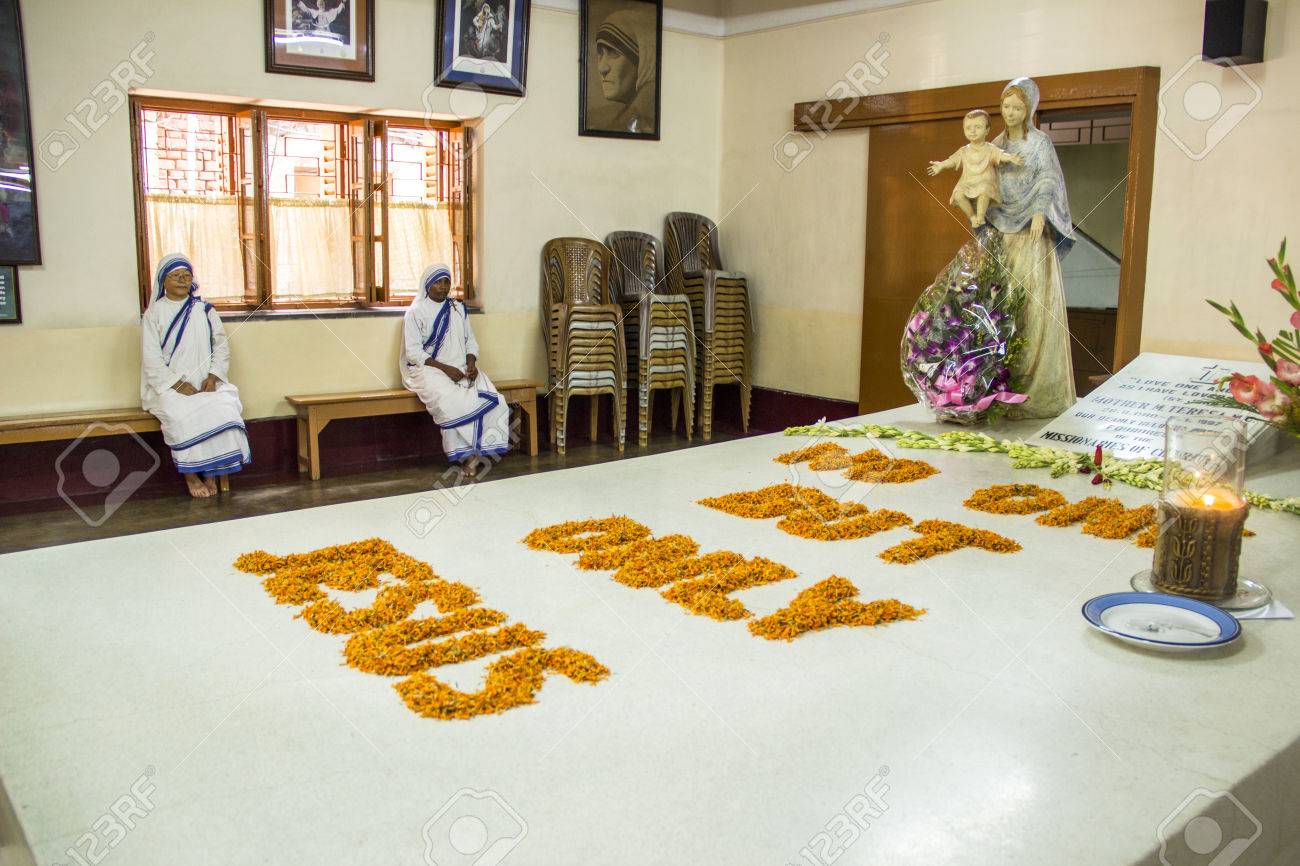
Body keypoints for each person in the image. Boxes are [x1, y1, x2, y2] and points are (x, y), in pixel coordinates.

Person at [985, 77, 1077, 420]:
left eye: (1018, 108)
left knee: (1034, 309)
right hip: (1004, 235)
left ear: (1030, 109)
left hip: (1032, 236)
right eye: (1006, 106)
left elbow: (1048, 179)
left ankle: (1036, 387)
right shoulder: (995, 144)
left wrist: (1039, 209)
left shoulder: (1040, 143)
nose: (1010, 113)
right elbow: (984, 180)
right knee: (1004, 309)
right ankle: (998, 390)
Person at [140, 254, 251, 498]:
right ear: (163, 281)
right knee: (180, 415)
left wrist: (213, 377)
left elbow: (221, 345)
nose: (182, 280)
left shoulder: (204, 309)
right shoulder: (153, 314)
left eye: (186, 276)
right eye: (175, 275)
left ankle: (209, 471)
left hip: (205, 383)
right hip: (167, 388)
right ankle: (191, 476)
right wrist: (177, 385)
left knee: (222, 407)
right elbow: (151, 359)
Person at [401, 264, 510, 476]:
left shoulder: (458, 308)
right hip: (428, 369)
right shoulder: (415, 313)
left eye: (447, 282)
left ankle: (475, 456)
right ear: (427, 285)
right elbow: (414, 353)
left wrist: (471, 364)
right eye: (438, 282)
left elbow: (471, 342)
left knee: (496, 400)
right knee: (451, 402)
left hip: (461, 367)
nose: (443, 287)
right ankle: (465, 456)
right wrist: (446, 369)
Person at [927, 109, 1023, 228]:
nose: (972, 131)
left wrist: (1011, 158)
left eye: (978, 127)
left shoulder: (990, 149)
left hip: (985, 181)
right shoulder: (963, 151)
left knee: (984, 190)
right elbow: (952, 160)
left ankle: (980, 217)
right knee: (958, 194)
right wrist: (941, 165)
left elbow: (1000, 155)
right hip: (967, 182)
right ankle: (972, 217)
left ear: (987, 130)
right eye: (968, 128)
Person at [590, 10, 656, 134]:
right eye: (600, 53)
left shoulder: (647, 123)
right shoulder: (627, 119)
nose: (602, 68)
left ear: (642, 60)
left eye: (614, 53)